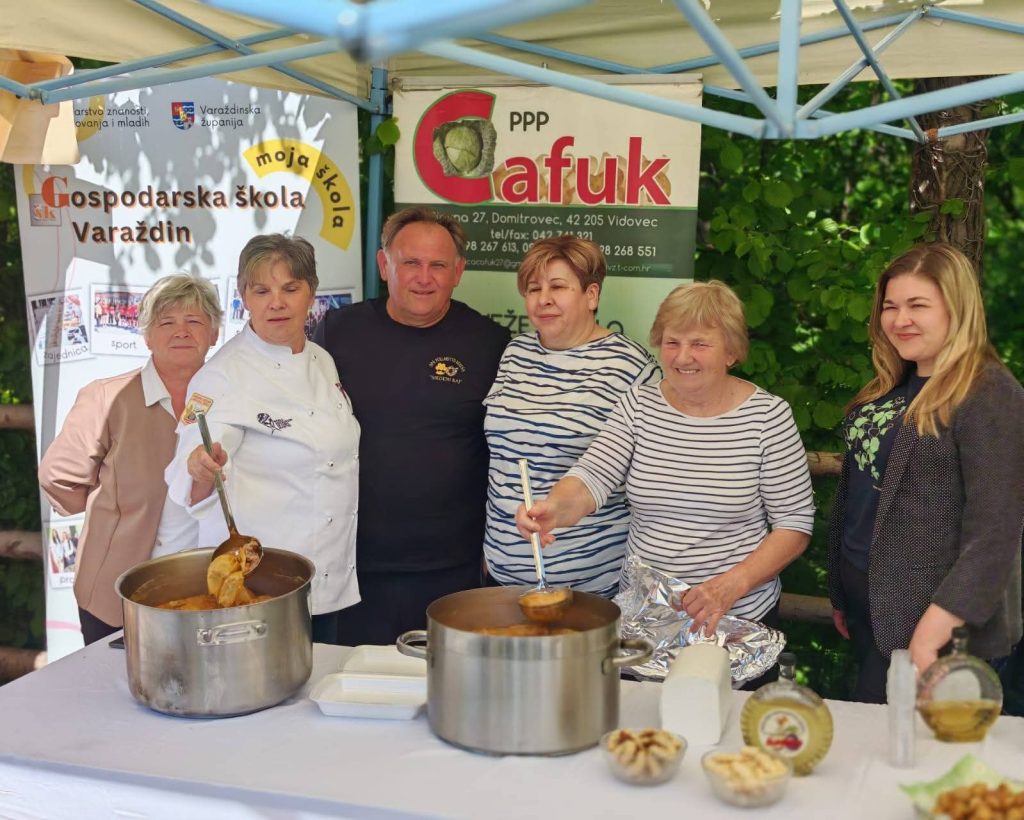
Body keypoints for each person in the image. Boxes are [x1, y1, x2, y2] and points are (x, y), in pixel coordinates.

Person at [517, 281, 815, 639]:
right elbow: (592, 475)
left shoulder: (768, 417)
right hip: (645, 615)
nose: (682, 357)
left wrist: (730, 586)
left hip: (734, 619)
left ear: (731, 351)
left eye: (699, 344)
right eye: (672, 342)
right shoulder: (638, 404)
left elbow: (794, 525)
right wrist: (552, 509)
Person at [827, 243, 1024, 703]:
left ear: (958, 308)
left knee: (920, 747)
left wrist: (934, 629)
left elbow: (996, 531)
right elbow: (860, 491)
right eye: (890, 306)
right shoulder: (892, 384)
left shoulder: (990, 393)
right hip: (872, 610)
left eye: (918, 305)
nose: (900, 320)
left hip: (936, 630)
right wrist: (842, 589)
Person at [313, 206, 510, 645]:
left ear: (458, 272)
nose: (424, 277)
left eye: (438, 265)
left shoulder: (490, 344)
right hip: (352, 565)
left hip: (453, 570)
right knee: (354, 682)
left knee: (446, 684)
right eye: (410, 263)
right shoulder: (336, 332)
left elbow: (508, 451)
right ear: (384, 265)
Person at [165, 234, 360, 644]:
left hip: (327, 577)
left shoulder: (322, 361)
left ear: (311, 294)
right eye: (262, 291)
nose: (277, 303)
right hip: (259, 589)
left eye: (291, 288)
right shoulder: (222, 375)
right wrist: (200, 467)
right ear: (244, 298)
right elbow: (191, 468)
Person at [38, 273, 221, 645]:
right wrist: (113, 512)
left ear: (215, 334)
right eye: (166, 322)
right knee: (117, 680)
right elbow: (58, 477)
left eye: (194, 321)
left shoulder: (231, 399)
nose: (181, 331)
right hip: (118, 590)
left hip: (209, 585)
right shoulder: (107, 398)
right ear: (147, 336)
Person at [483, 236, 658, 595]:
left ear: (591, 295)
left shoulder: (631, 366)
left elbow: (654, 476)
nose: (543, 299)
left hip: (592, 586)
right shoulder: (515, 353)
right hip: (502, 577)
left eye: (558, 287)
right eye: (534, 288)